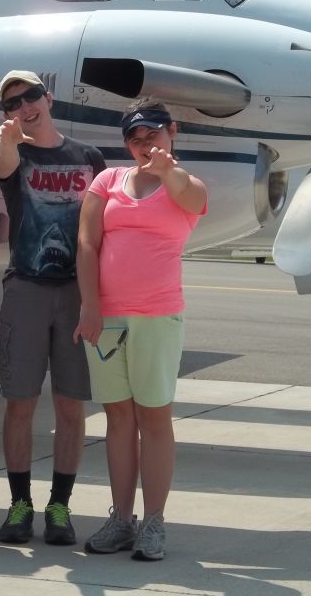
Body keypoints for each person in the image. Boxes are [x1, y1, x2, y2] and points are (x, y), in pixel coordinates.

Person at [73, 98, 207, 561]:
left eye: (151, 133)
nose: (143, 144)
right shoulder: (107, 181)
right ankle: (122, 519)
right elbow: (88, 243)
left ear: (172, 130)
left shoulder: (184, 185)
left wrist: (168, 170)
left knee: (154, 418)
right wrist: (90, 305)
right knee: (118, 420)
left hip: (157, 316)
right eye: (134, 137)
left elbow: (194, 200)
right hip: (107, 318)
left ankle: (154, 522)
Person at [0, 70, 106, 546]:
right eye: (13, 102)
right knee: (20, 403)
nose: (24, 105)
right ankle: (20, 503)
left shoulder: (88, 158)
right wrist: (8, 138)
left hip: (76, 292)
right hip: (27, 289)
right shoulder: (11, 154)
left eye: (31, 95)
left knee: (70, 404)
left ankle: (60, 505)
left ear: (48, 97)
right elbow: (1, 167)